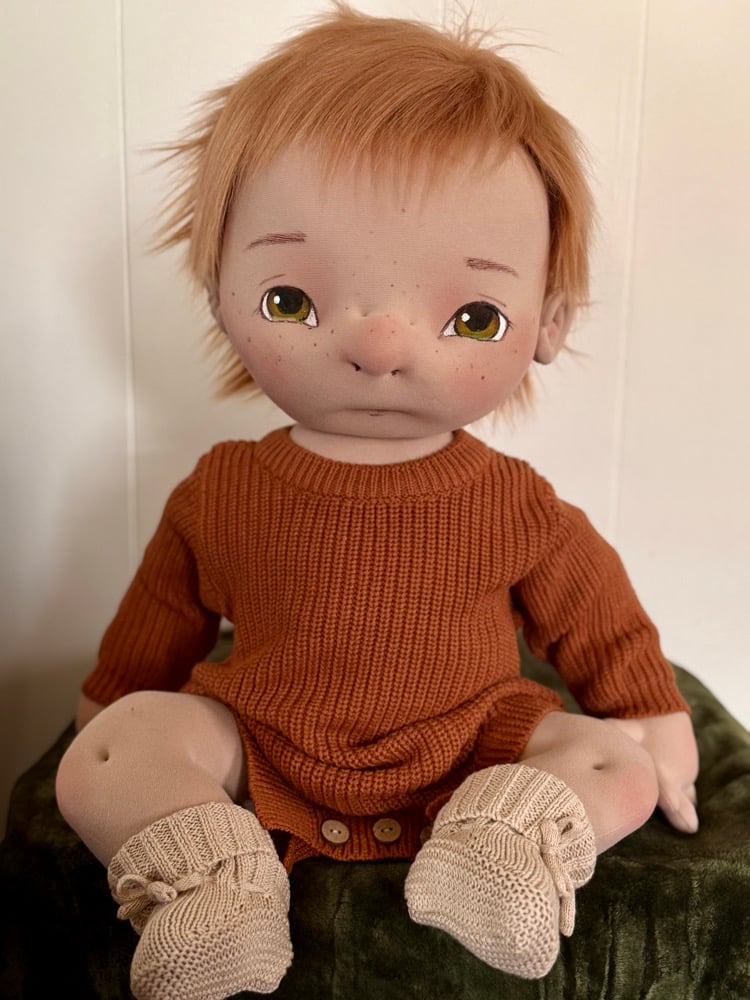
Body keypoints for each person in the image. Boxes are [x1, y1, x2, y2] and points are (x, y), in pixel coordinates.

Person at [55, 4, 699, 997]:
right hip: (261, 735)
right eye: (292, 300)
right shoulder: (221, 489)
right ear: (218, 291)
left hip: (478, 743)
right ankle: (217, 891)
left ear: (548, 323)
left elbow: (600, 621)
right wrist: (113, 708)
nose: (381, 344)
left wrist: (650, 717)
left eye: (472, 316)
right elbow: (158, 620)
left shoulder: (515, 503)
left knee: (616, 765)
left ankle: (499, 855)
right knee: (103, 754)